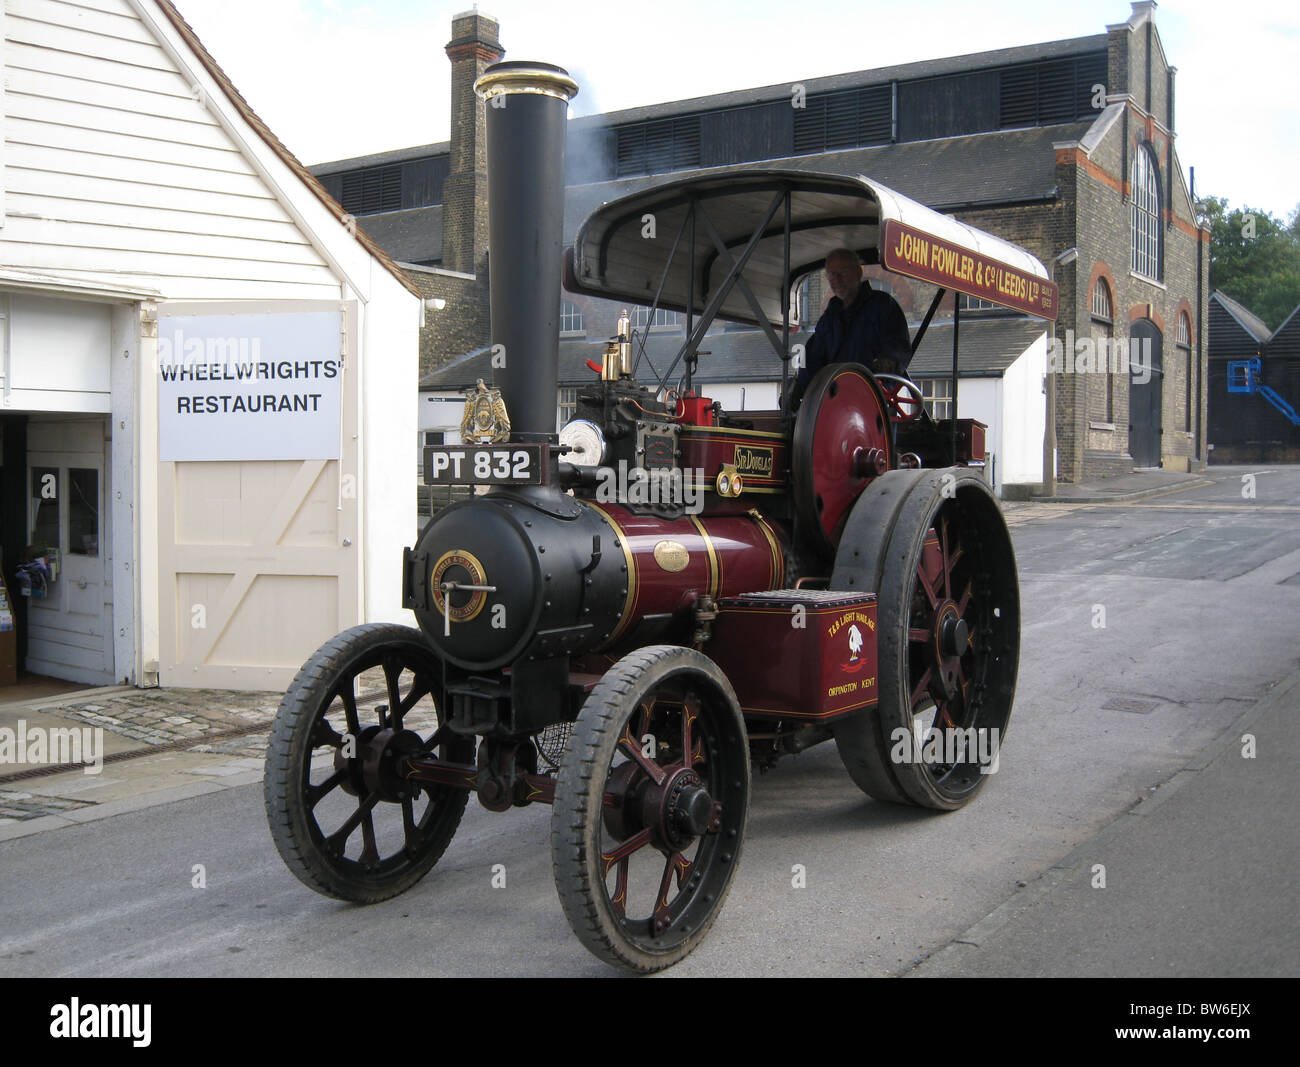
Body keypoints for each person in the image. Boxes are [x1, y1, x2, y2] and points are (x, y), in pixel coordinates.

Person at [789, 248, 911, 408]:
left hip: (871, 404)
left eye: (843, 272)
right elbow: (812, 357)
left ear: (859, 272)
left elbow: (896, 353)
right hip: (833, 404)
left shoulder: (883, 307)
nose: (837, 279)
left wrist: (880, 372)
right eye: (831, 275)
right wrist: (799, 388)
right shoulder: (829, 318)